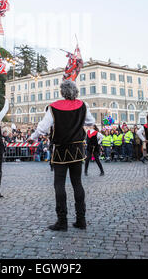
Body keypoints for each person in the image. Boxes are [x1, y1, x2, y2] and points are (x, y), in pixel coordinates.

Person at [28, 80, 95, 231]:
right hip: (77, 149)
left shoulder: (54, 107)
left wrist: (32, 136)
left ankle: (62, 221)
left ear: (62, 92)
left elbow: (42, 128)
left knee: (59, 184)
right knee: (77, 183)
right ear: (75, 91)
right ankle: (81, 220)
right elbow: (91, 121)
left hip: (60, 151)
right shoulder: (83, 105)